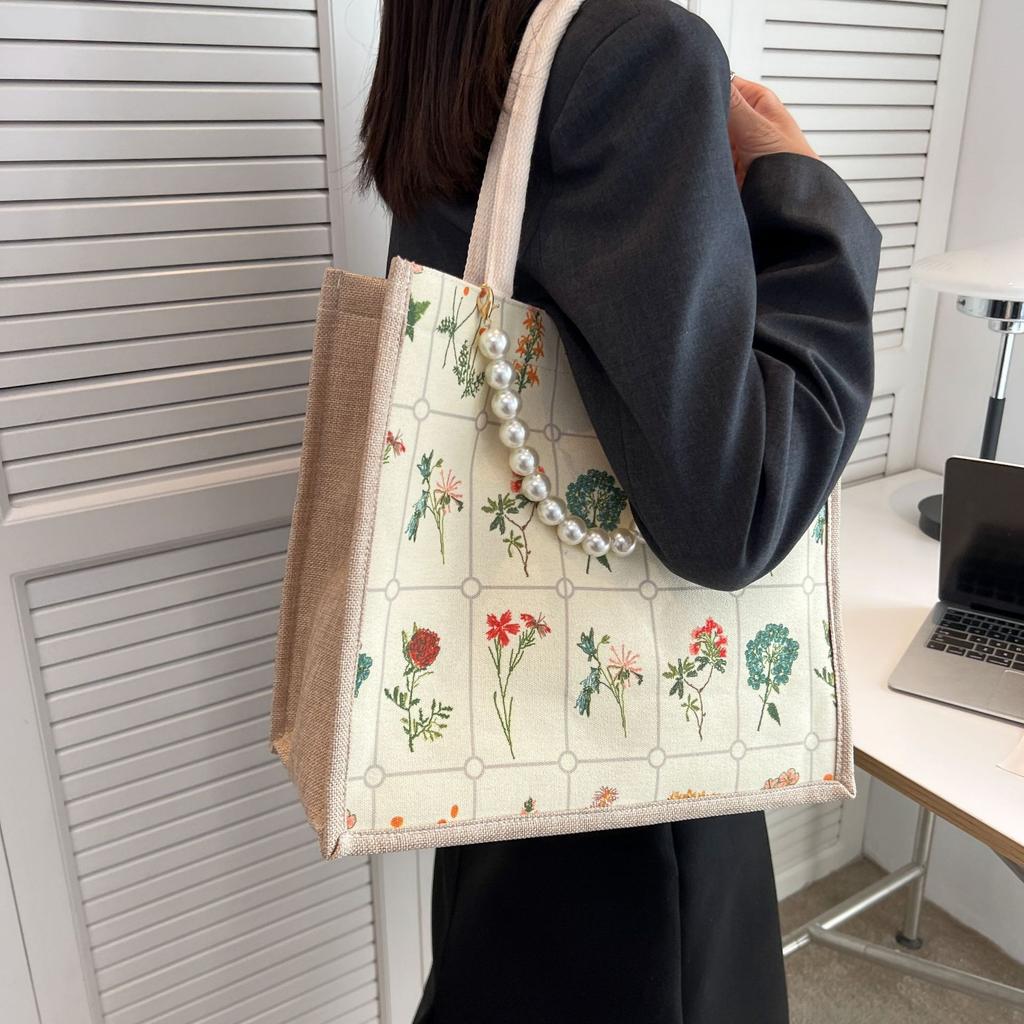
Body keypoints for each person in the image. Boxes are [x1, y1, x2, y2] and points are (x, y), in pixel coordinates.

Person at [359, 1, 882, 1021]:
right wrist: (801, 197)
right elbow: (739, 510)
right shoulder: (640, 55)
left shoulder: (458, 46)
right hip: (638, 782)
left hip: (499, 726)